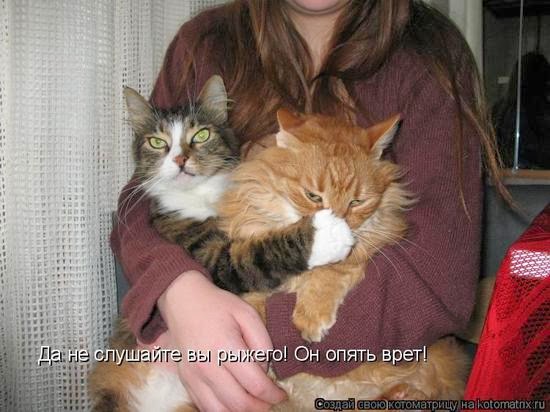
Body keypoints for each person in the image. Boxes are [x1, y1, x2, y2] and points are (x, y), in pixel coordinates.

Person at [111, 1, 507, 410]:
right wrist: (177, 291)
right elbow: (138, 207)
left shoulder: (429, 52)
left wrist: (250, 334)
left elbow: (439, 282)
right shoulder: (204, 42)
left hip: (353, 354)